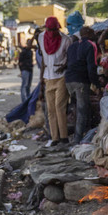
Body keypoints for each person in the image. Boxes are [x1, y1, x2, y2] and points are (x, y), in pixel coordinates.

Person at [37, 17, 70, 146]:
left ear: (58, 28)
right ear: (46, 29)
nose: (52, 32)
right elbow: (44, 60)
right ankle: (54, 138)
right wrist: (41, 81)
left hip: (61, 76)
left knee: (59, 107)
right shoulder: (41, 38)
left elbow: (70, 57)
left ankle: (64, 136)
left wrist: (65, 65)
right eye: (49, 30)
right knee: (50, 110)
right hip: (48, 77)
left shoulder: (66, 40)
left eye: (54, 30)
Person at [65, 27, 99, 144]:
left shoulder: (72, 46)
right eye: (93, 33)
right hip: (80, 81)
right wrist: (96, 84)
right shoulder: (90, 45)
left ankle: (82, 134)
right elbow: (91, 67)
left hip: (69, 80)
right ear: (88, 34)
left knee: (76, 109)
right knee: (81, 111)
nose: (95, 35)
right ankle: (78, 139)